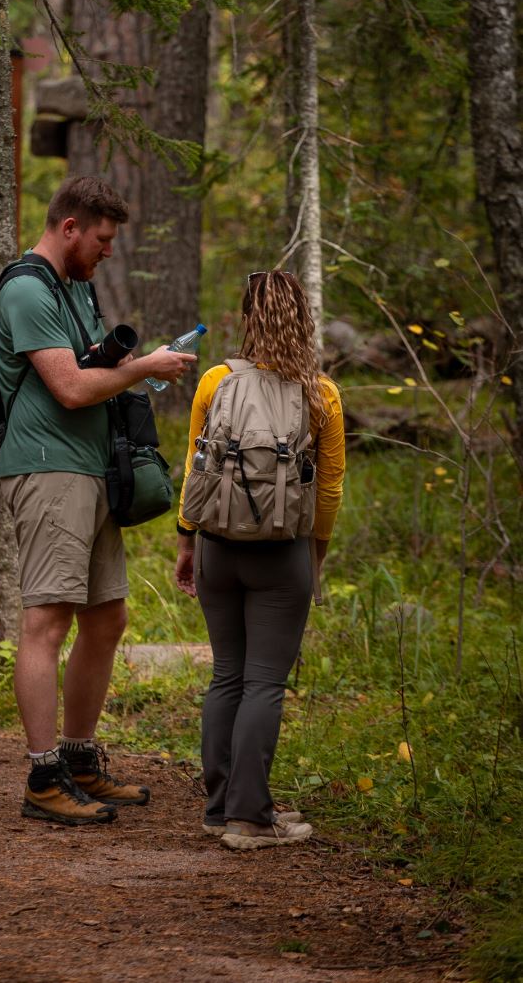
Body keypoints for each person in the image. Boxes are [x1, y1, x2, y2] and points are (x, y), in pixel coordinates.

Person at [0, 176, 198, 826]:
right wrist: (146, 366)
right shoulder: (27, 290)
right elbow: (73, 388)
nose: (109, 251)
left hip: (90, 471)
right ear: (70, 226)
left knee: (106, 620)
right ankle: (43, 775)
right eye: (102, 239)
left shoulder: (74, 286)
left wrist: (132, 366)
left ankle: (80, 761)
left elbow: (91, 371)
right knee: (46, 622)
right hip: (49, 471)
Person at [174, 270, 345, 849]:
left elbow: (196, 466)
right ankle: (251, 820)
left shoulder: (217, 381)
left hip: (216, 546)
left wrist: (185, 539)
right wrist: (312, 556)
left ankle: (220, 810)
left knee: (227, 675)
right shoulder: (321, 393)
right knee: (265, 684)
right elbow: (329, 490)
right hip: (281, 553)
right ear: (304, 320)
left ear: (246, 316)